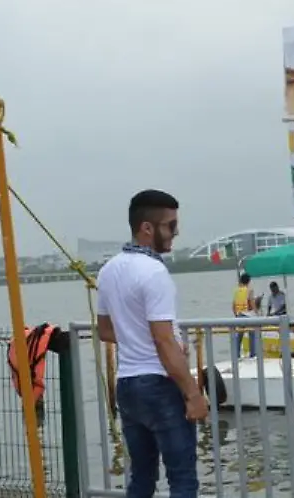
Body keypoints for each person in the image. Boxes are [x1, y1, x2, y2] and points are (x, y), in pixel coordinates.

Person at [96, 190, 206, 498]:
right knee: (182, 479)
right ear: (147, 228)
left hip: (128, 385)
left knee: (142, 478)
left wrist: (139, 337)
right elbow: (163, 340)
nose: (176, 232)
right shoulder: (154, 272)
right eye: (170, 225)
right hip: (159, 384)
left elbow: (105, 330)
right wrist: (193, 394)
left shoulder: (108, 270)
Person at [232, 274, 259, 358]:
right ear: (249, 281)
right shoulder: (249, 290)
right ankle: (253, 354)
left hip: (240, 315)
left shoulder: (237, 291)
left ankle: (236, 354)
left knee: (239, 336)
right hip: (249, 316)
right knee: (252, 334)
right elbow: (251, 302)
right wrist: (257, 313)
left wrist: (236, 315)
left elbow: (233, 306)